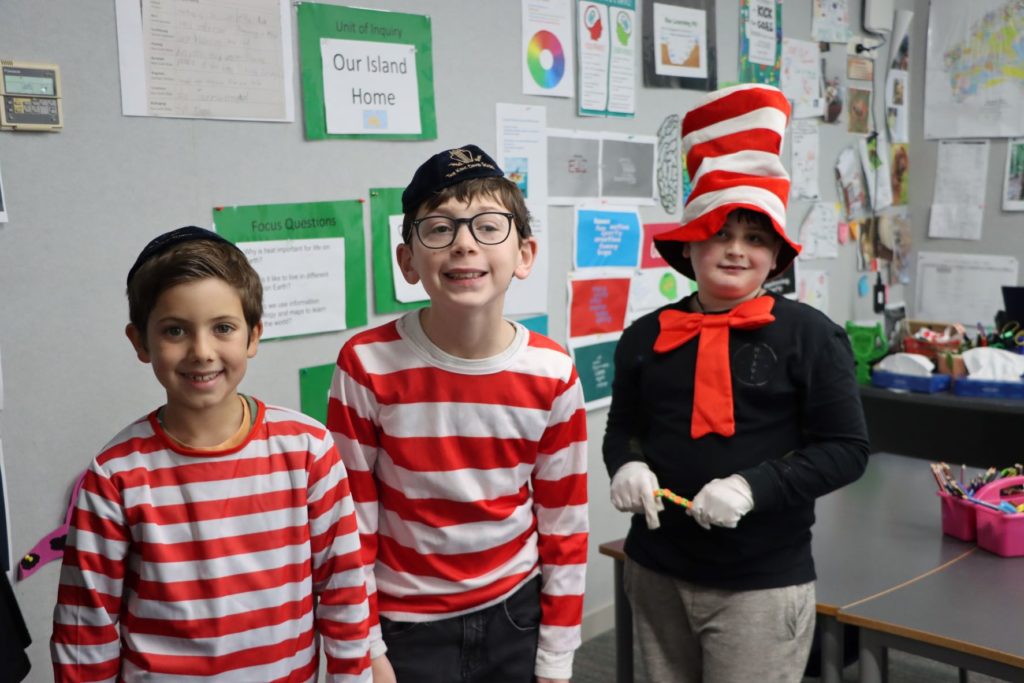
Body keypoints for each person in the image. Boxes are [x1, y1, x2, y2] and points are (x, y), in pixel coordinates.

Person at [603, 84, 869, 683]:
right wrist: (625, 465)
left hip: (759, 580)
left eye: (754, 238)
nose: (735, 250)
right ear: (690, 243)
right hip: (655, 567)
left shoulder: (812, 337)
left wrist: (755, 487)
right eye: (720, 232)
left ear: (775, 255)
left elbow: (847, 452)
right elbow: (625, 430)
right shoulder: (646, 336)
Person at [51, 227, 371, 682]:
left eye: (222, 328)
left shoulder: (308, 450)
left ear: (252, 336)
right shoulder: (115, 475)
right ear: (141, 342)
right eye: (175, 330)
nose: (201, 352)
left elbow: (344, 594)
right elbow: (85, 634)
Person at [328, 145, 588, 683]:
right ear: (407, 260)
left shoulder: (553, 371)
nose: (465, 243)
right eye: (440, 228)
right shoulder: (366, 365)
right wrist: (366, 648)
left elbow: (564, 526)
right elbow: (352, 523)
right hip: (406, 626)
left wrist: (557, 659)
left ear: (524, 253)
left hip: (517, 614)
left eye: (489, 226)